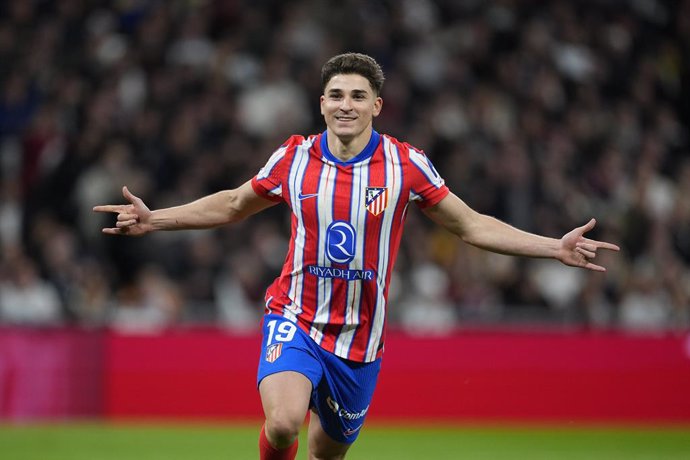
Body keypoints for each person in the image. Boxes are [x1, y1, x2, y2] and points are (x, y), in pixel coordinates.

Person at [93, 52, 620, 460]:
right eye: (336, 94)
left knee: (327, 451)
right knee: (282, 423)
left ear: (376, 106)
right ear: (321, 103)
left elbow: (471, 225)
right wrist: (156, 218)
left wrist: (554, 246)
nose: (346, 103)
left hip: (359, 340)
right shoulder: (294, 157)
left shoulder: (406, 165)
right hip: (294, 316)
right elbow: (233, 204)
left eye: (357, 95)